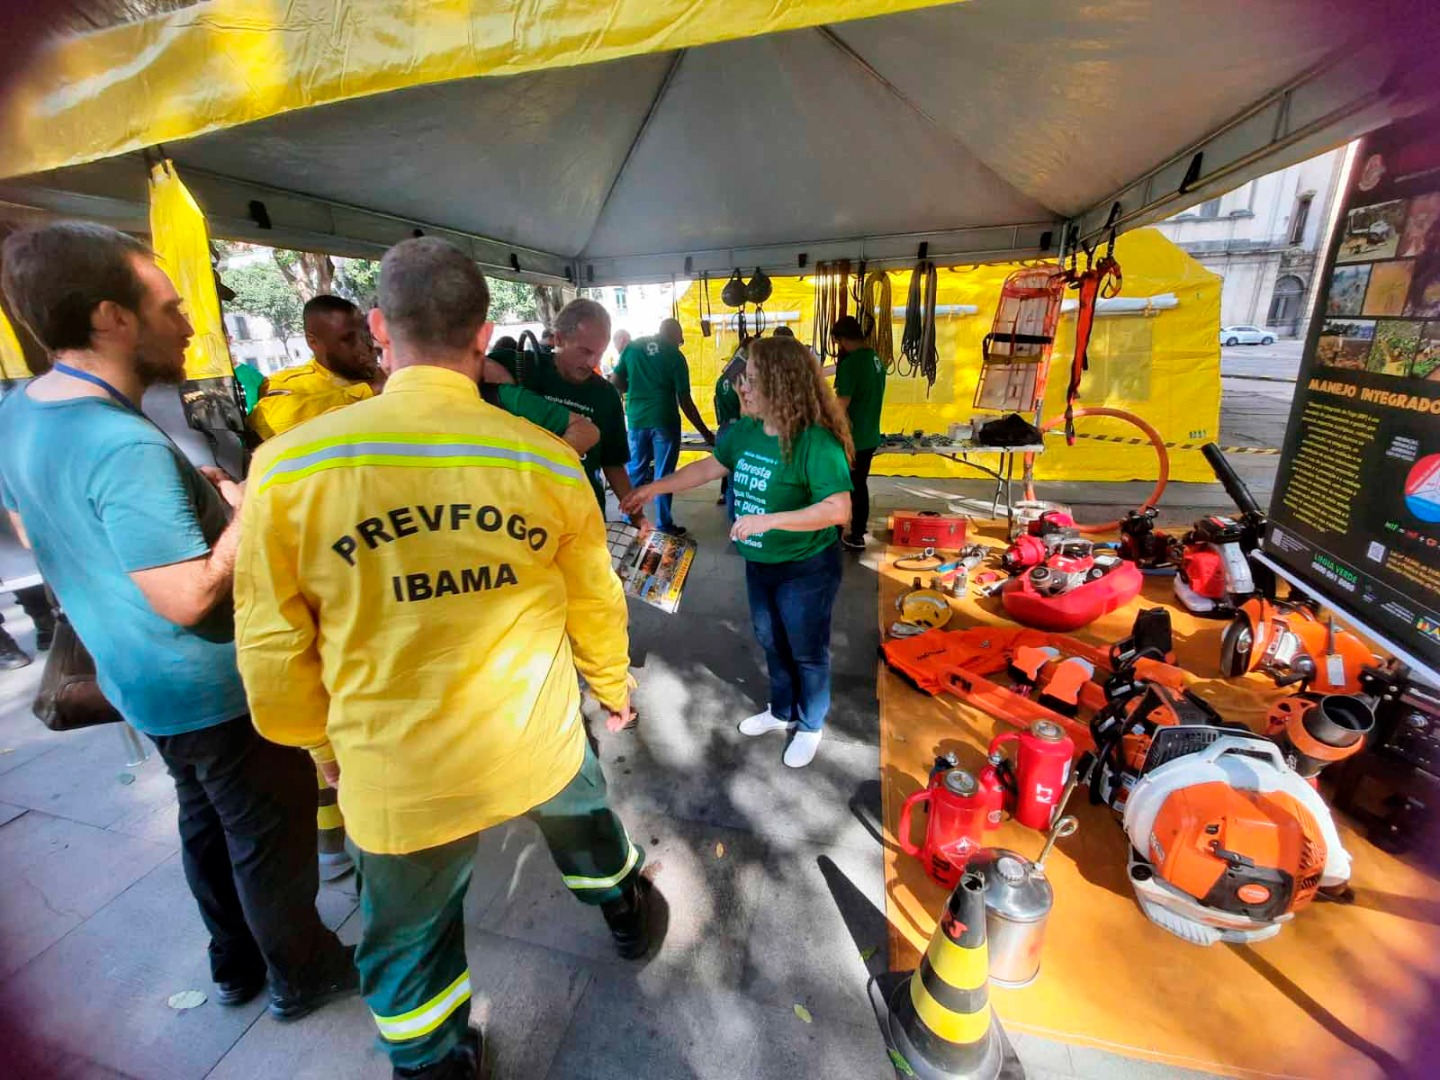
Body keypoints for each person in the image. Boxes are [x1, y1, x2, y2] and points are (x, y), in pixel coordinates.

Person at [235, 237, 655, 1079]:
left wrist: (321, 748)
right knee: (589, 831)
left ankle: (432, 1062)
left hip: (395, 770)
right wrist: (612, 689)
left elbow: (275, 648)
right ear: (484, 332)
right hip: (531, 739)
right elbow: (594, 602)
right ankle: (626, 914)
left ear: (381, 327)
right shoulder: (543, 458)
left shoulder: (287, 468)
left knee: (410, 937)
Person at [0, 221, 354, 1018]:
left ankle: (233, 966)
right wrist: (253, 498)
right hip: (211, 688)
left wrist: (184, 496)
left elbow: (35, 526)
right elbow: (190, 597)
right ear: (109, 318)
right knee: (269, 837)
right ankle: (303, 973)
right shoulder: (119, 443)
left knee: (205, 821)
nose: (190, 321)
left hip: (136, 682)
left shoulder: (21, 409)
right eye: (168, 304)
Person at [623, 336, 851, 768]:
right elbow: (709, 467)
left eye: (751, 381)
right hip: (760, 563)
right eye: (742, 381)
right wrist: (654, 486)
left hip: (806, 566)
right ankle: (781, 710)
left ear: (783, 385)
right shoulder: (745, 432)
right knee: (770, 639)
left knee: (805, 647)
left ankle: (810, 723)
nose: (740, 389)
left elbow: (838, 509)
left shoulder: (814, 442)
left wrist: (770, 520)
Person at [520, 299, 640, 525]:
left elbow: (612, 463)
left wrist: (638, 516)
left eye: (600, 353)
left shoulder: (605, 395)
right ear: (559, 339)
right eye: (585, 351)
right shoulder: (525, 369)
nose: (593, 362)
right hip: (529, 514)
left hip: (584, 515)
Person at [611, 318, 713, 534]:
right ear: (675, 334)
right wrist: (705, 433)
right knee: (665, 476)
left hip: (637, 421)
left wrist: (635, 388)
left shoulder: (632, 348)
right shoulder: (675, 356)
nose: (681, 342)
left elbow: (615, 382)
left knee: (636, 472)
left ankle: (627, 521)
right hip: (664, 421)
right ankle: (664, 524)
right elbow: (685, 400)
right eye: (680, 338)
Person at [247, 295, 378, 441]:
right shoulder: (287, 383)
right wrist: (368, 392)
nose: (365, 346)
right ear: (313, 342)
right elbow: (272, 422)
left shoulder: (385, 375)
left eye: (365, 334)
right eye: (348, 339)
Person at [831, 315, 887, 551]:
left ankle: (847, 532)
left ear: (842, 339)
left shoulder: (851, 364)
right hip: (870, 434)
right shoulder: (876, 359)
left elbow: (841, 404)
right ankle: (858, 529)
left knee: (841, 485)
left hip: (852, 438)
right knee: (859, 484)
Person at [713, 342, 745, 515]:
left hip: (724, 428)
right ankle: (737, 522)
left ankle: (733, 523)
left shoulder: (721, 380)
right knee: (737, 483)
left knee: (730, 482)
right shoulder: (743, 378)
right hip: (738, 429)